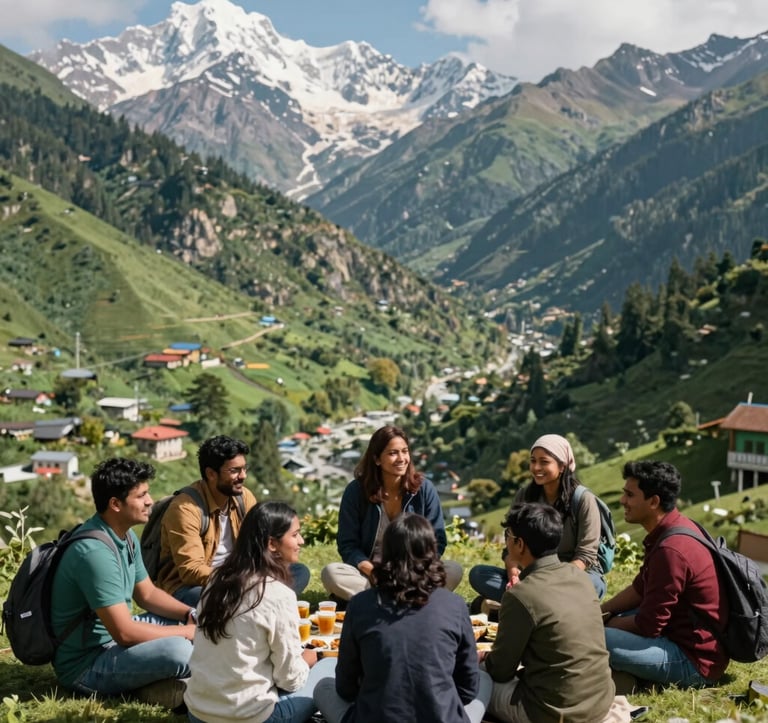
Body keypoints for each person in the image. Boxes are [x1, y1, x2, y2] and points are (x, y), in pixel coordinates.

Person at [314, 513, 492, 723]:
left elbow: (345, 687)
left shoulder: (360, 604)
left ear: (385, 553)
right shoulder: (455, 605)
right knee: (484, 680)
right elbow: (468, 688)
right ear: (432, 552)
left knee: (322, 686)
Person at [50, 458, 195, 709]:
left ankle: (161, 682)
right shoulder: (94, 553)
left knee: (199, 619)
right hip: (88, 664)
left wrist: (189, 614)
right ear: (115, 504)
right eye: (141, 495)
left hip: (114, 642)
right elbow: (125, 632)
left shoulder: (125, 536)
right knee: (181, 651)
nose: (150, 501)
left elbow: (147, 594)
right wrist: (187, 632)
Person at [480, 503, 631, 723]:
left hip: (552, 712)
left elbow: (501, 670)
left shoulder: (520, 595)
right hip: (600, 700)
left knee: (475, 676)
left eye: (508, 535)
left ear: (519, 544)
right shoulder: (579, 576)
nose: (506, 540)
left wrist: (482, 658)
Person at [185, 501, 334, 723]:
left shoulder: (217, 579)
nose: (301, 541)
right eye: (295, 535)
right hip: (250, 718)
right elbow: (290, 680)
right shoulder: (278, 595)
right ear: (272, 544)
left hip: (198, 714)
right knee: (330, 668)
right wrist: (308, 660)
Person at [601, 461, 729, 688]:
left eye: (629, 495)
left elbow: (649, 625)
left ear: (654, 501)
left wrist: (607, 623)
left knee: (596, 639)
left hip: (694, 661)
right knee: (603, 623)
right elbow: (641, 588)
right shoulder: (675, 528)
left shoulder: (671, 550)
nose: (622, 501)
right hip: (677, 635)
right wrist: (600, 610)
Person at [156, 435, 309, 605]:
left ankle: (256, 601)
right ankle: (262, 601)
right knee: (216, 599)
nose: (243, 476)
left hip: (240, 577)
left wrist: (256, 575)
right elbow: (191, 571)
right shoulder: (185, 509)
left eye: (244, 469)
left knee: (298, 571)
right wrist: (243, 580)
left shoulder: (244, 497)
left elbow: (260, 544)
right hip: (193, 587)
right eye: (234, 471)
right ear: (211, 474)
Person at [320, 425, 462, 601]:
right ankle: (409, 600)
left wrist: (417, 571)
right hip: (372, 574)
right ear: (377, 459)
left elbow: (437, 540)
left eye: (405, 451)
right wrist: (372, 571)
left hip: (415, 573)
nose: (401, 458)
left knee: (453, 570)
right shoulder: (356, 491)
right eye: (393, 453)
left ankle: (374, 601)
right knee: (331, 573)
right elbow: (348, 545)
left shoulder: (424, 489)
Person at [468, 433, 605, 604]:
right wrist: (513, 571)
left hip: (572, 575)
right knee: (479, 574)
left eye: (544, 462)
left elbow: (586, 555)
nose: (536, 467)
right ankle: (535, 603)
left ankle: (522, 603)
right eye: (533, 461)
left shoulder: (583, 499)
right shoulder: (525, 495)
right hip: (532, 572)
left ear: (562, 466)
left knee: (593, 586)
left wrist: (550, 582)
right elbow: (511, 541)